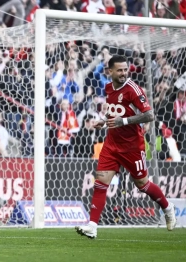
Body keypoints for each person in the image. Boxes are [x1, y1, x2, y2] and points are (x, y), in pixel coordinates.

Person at [75, 55, 176, 239]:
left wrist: (124, 121)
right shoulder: (108, 88)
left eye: (125, 69)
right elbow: (116, 114)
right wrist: (104, 123)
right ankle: (92, 226)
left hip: (132, 147)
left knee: (142, 185)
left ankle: (168, 209)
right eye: (119, 70)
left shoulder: (133, 90)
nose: (123, 73)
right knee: (100, 183)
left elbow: (150, 115)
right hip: (112, 144)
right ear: (110, 71)